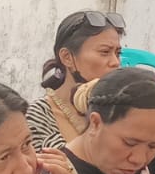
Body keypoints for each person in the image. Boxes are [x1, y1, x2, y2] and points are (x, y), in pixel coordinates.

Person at [26, 11, 126, 151]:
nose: (115, 62)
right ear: (67, 57)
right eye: (104, 52)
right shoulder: (39, 115)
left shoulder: (123, 108)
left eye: (118, 53)